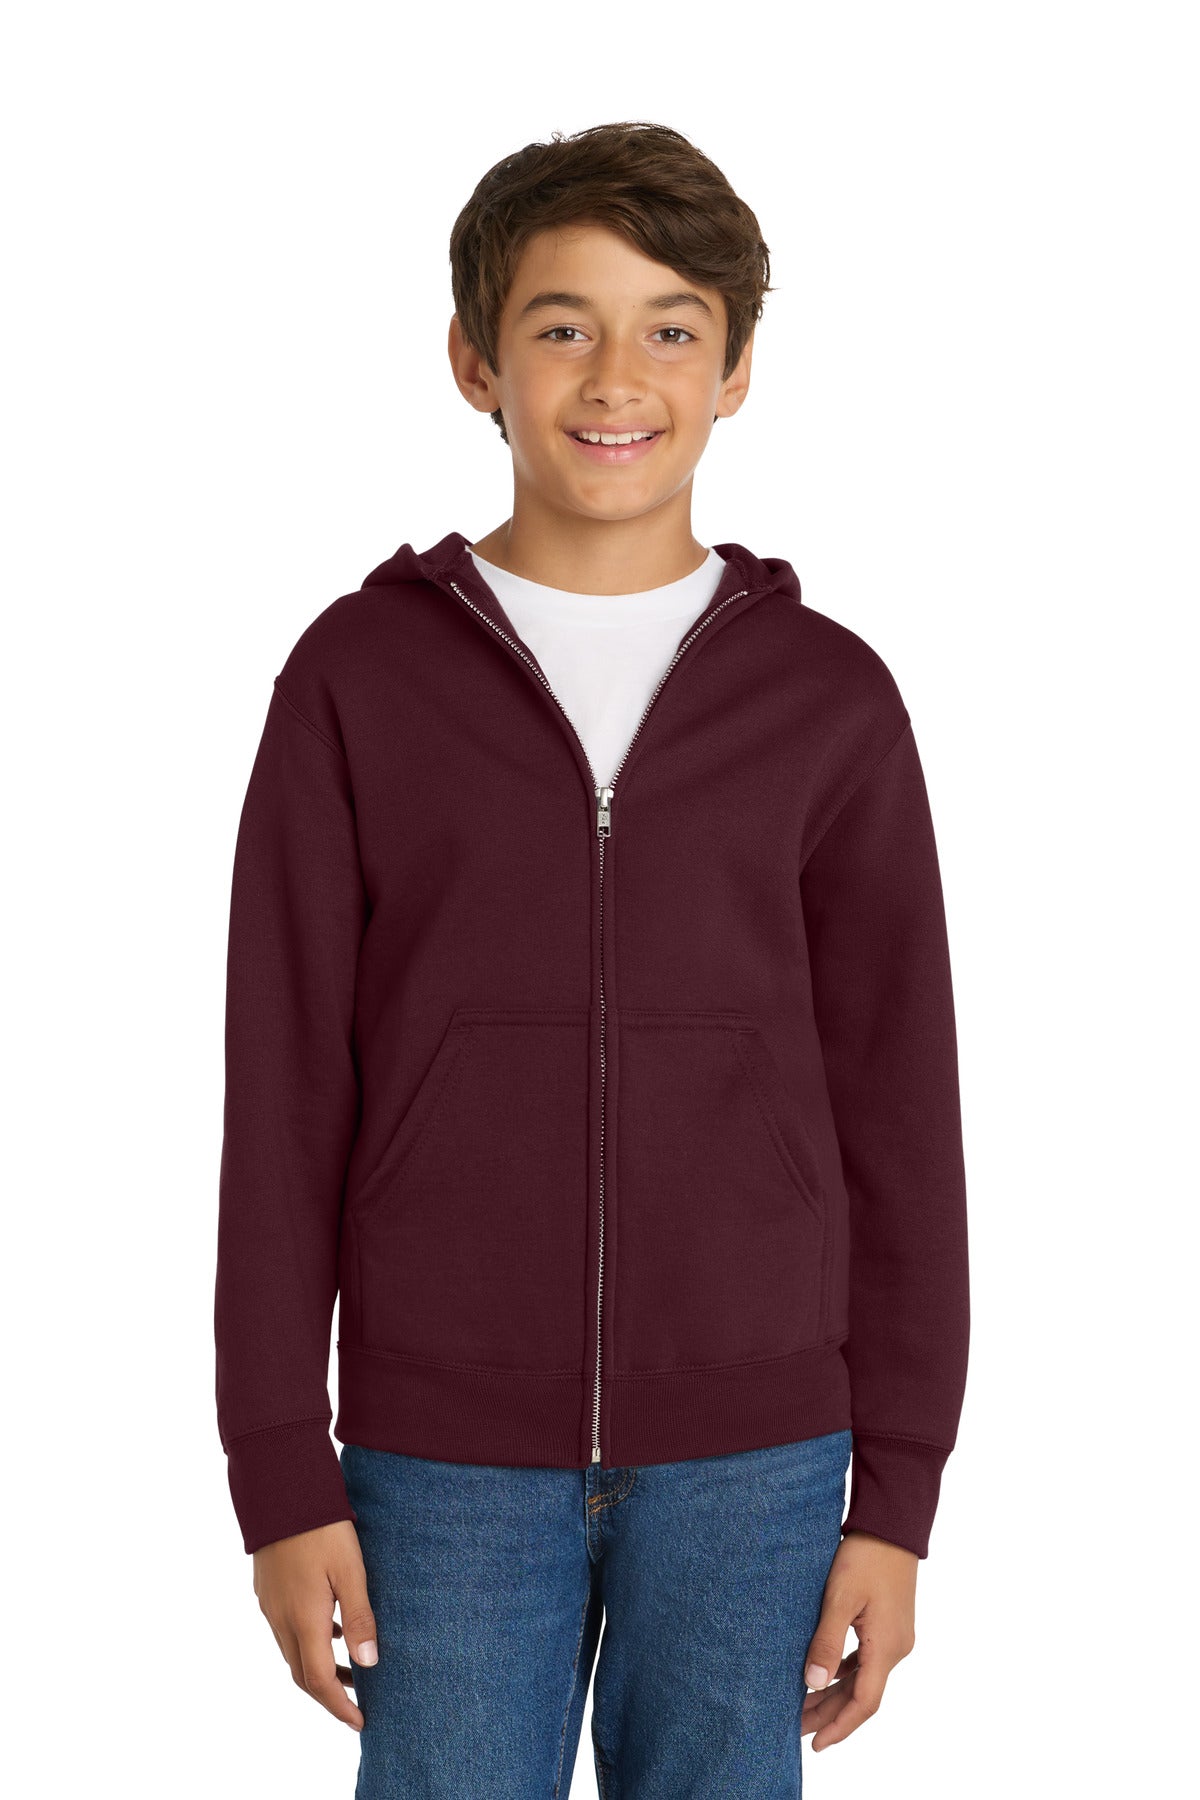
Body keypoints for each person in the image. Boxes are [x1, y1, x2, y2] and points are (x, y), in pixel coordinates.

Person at [214, 119, 970, 1798]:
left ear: (737, 368)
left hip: (760, 1462)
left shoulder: (828, 702)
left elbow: (902, 1116)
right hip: (438, 1461)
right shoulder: (356, 681)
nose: (617, 377)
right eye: (562, 326)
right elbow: (282, 1096)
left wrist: (900, 1496)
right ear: (475, 361)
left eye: (672, 329)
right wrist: (279, 1468)